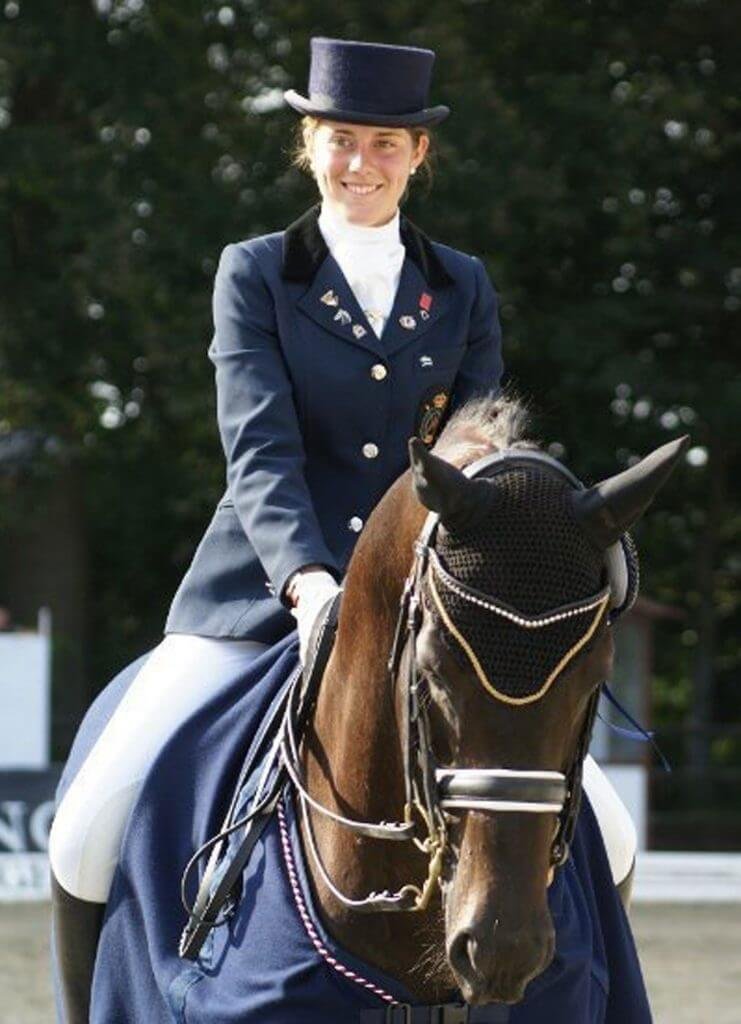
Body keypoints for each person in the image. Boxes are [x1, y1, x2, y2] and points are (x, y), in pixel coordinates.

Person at [48, 36, 635, 1022]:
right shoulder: (257, 275)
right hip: (265, 594)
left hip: (431, 598)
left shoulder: (461, 287)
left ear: (417, 157)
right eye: (342, 140)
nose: (362, 162)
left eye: (385, 143)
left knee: (608, 836)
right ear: (310, 147)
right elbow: (260, 452)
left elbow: (478, 452)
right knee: (90, 821)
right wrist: (311, 584)